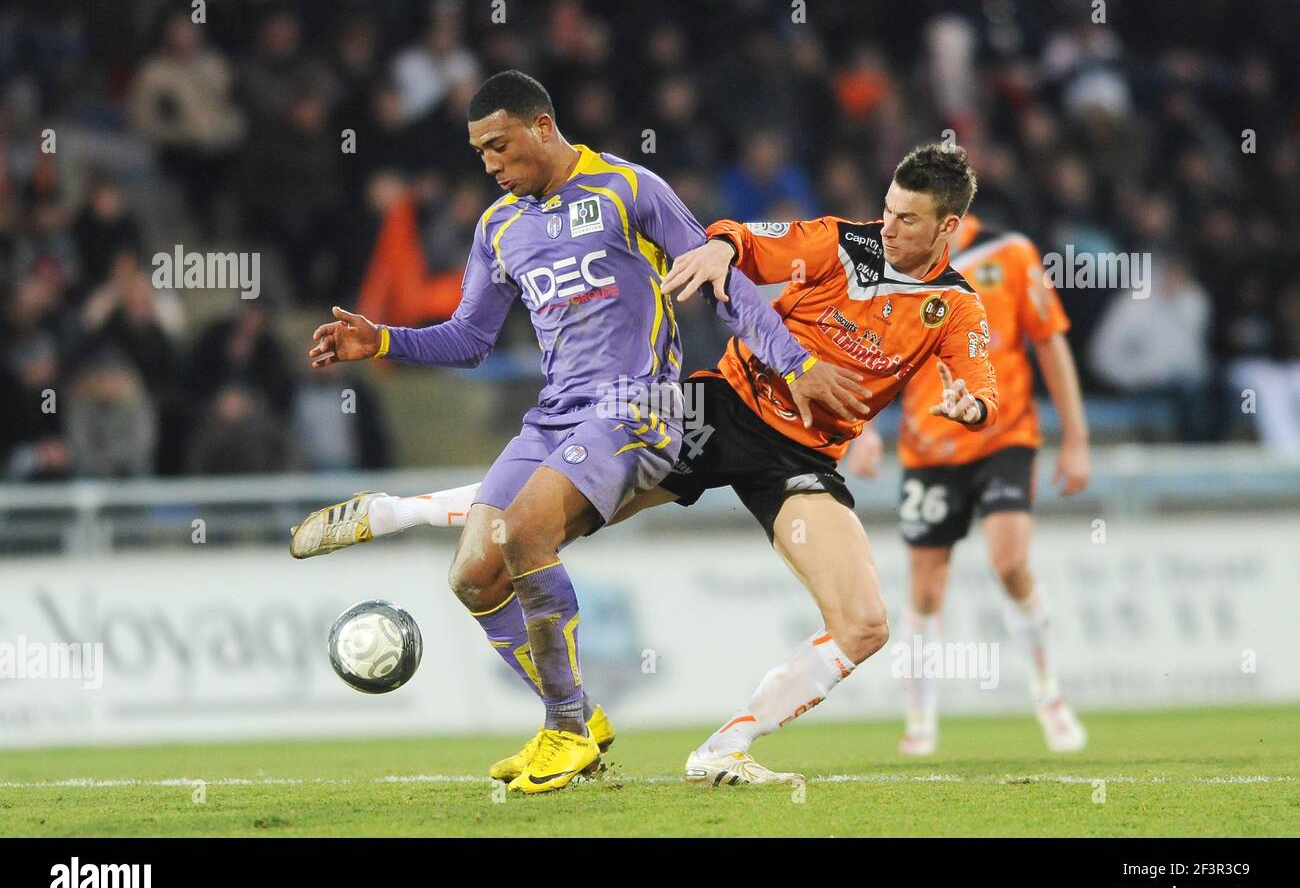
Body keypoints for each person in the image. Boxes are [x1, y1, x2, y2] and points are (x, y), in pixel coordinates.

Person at [296, 143, 1000, 785]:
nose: (887, 228)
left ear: (948, 229)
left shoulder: (956, 308)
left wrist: (969, 406)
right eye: (886, 210)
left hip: (801, 459)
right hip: (719, 410)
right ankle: (399, 511)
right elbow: (740, 242)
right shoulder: (840, 244)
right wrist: (723, 250)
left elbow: (979, 384)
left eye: (908, 220)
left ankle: (723, 749)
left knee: (866, 625)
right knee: (543, 519)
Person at [848, 213, 1090, 754]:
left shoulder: (1010, 252)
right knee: (927, 589)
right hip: (930, 448)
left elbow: (1049, 341)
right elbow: (869, 350)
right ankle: (920, 720)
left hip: (1004, 435)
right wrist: (861, 429)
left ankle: (1050, 696)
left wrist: (1075, 436)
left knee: (1009, 563)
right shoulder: (894, 263)